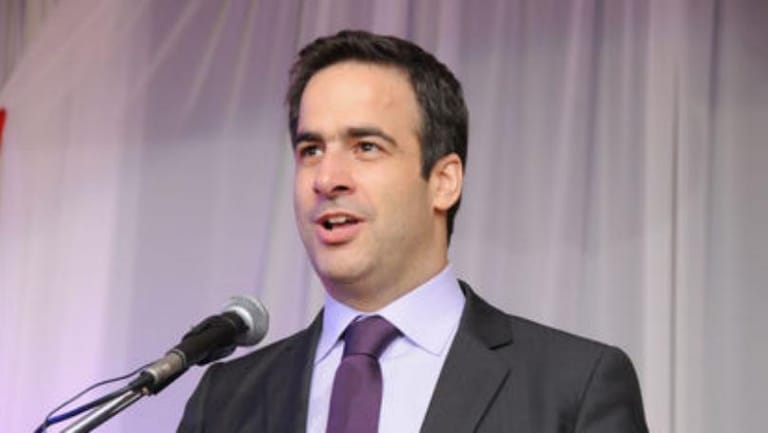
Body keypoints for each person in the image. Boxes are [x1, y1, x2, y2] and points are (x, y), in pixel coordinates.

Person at [177, 30, 649, 433]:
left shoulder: (574, 386)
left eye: (366, 146)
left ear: (444, 182)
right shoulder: (224, 402)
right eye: (311, 150)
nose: (327, 178)